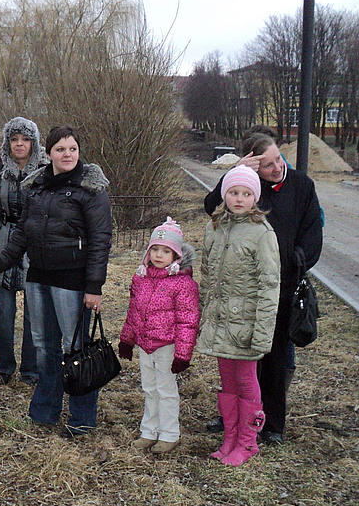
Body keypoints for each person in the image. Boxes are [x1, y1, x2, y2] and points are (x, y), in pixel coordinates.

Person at [0, 126, 113, 439]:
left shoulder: (90, 188)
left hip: (72, 282)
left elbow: (101, 240)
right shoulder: (37, 186)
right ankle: (45, 410)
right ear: (49, 153)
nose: (67, 154)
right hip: (38, 278)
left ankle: (82, 418)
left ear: (78, 152)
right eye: (60, 149)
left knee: (75, 348)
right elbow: (22, 234)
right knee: (44, 347)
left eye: (72, 149)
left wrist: (94, 287)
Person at [204, 134, 323, 444]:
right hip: (244, 287)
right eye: (268, 165)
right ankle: (238, 417)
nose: (277, 168)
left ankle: (272, 423)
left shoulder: (301, 185)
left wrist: (301, 258)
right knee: (240, 359)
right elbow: (211, 206)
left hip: (283, 284)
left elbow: (313, 229)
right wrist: (232, 173)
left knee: (276, 358)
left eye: (278, 160)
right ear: (254, 166)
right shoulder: (247, 189)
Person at [198, 165, 280, 466]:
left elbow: (270, 285)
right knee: (226, 381)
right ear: (225, 195)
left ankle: (247, 443)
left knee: (246, 381)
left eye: (246, 193)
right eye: (234, 192)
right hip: (220, 322)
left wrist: (261, 332)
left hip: (246, 323)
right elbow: (207, 275)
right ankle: (229, 437)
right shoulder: (214, 227)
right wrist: (204, 313)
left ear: (254, 198)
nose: (239, 198)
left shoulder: (262, 233)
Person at [118, 217, 200, 454]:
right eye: (155, 249)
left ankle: (169, 433)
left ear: (176, 256)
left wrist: (183, 354)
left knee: (165, 389)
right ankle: (149, 431)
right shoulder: (141, 278)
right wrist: (127, 339)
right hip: (145, 344)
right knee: (149, 388)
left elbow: (188, 320)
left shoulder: (183, 284)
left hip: (167, 345)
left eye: (166, 251)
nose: (159, 255)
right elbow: (133, 311)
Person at [0, 116, 47, 386]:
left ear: (33, 143)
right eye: (14, 139)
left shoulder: (45, 172)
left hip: (35, 250)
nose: (19, 144)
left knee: (34, 315)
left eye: (25, 140)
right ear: (8, 143)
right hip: (5, 248)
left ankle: (30, 370)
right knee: (4, 317)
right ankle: (5, 367)